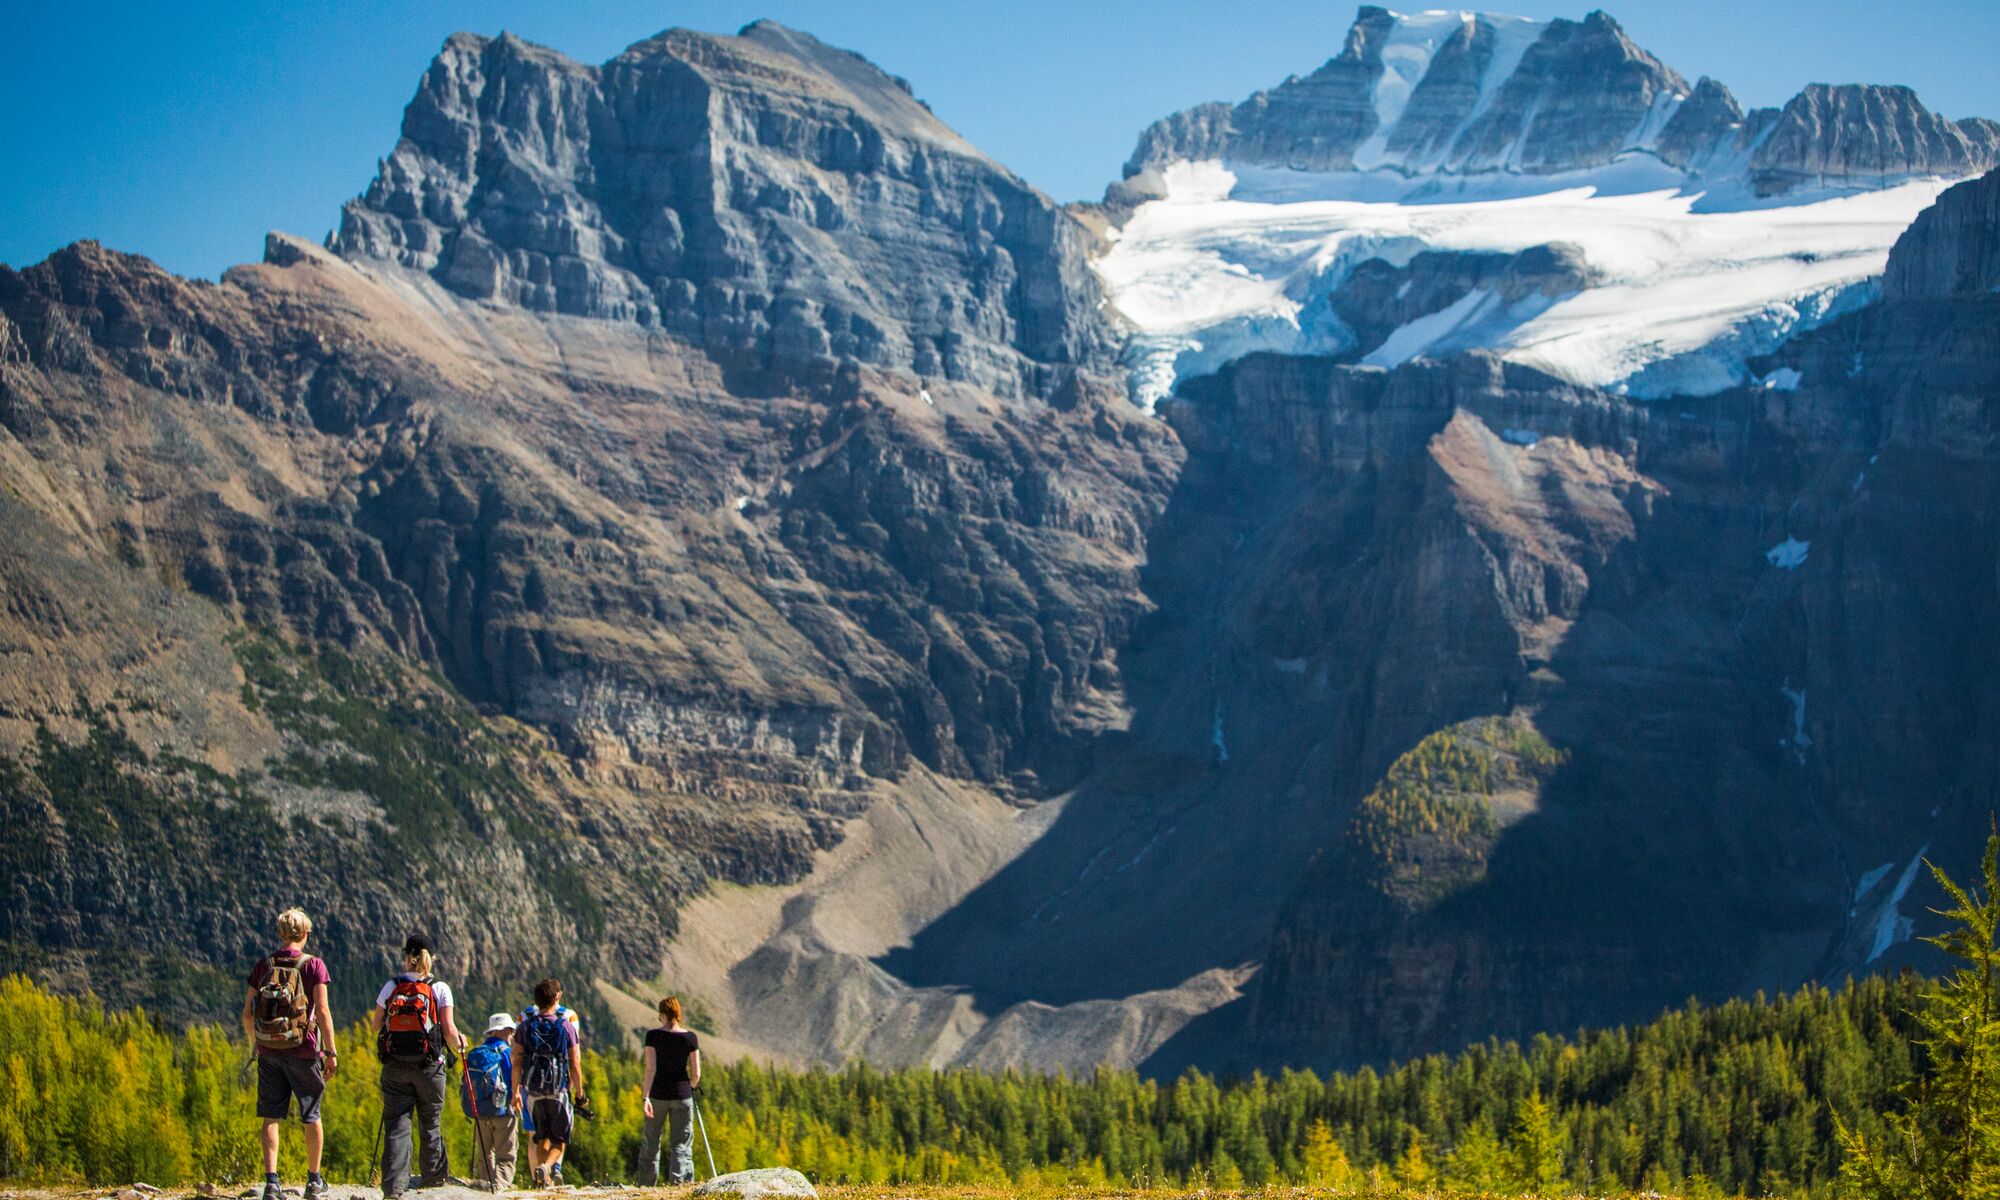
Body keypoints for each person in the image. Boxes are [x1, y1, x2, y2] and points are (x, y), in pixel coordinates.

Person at [243, 908, 338, 1200]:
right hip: (304, 1050)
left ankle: (271, 1183)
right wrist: (331, 1051)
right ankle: (314, 1181)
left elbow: (248, 1013)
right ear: (305, 933)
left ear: (281, 933)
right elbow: (322, 1011)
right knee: (311, 1114)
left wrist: (256, 1044)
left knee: (271, 1116)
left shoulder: (264, 965)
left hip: (269, 1050)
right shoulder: (313, 966)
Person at [370, 935, 469, 1197]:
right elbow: (448, 1030)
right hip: (429, 1066)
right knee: (430, 1122)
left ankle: (393, 1186)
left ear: (406, 956)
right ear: (431, 957)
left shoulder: (391, 986)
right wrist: (460, 1045)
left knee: (397, 1124)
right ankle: (433, 1179)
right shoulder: (440, 988)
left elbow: (375, 1024)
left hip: (395, 1066)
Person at [514, 978, 587, 1189]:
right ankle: (548, 1168)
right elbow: (575, 1061)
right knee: (559, 1139)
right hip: (558, 1089)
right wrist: (579, 1092)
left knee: (538, 1137)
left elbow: (516, 1059)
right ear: (557, 997)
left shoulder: (525, 1021)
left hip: (532, 1090)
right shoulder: (567, 1021)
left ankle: (541, 1181)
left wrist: (516, 1090)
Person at [637, 996, 702, 1185]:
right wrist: (690, 1087)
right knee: (681, 1144)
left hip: (658, 1095)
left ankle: (647, 1185)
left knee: (651, 1140)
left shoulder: (653, 1036)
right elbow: (696, 1073)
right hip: (682, 1095)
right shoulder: (690, 1038)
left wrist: (645, 1097)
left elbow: (650, 1068)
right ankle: (679, 1185)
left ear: (662, 1015)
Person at [461, 1013, 521, 1190]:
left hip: (480, 1111)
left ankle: (486, 1184)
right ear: (503, 1031)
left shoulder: (477, 1053)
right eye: (510, 1030)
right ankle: (499, 1186)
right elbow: (514, 1079)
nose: (511, 1034)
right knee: (506, 1155)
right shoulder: (507, 1053)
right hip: (503, 1111)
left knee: (485, 1154)